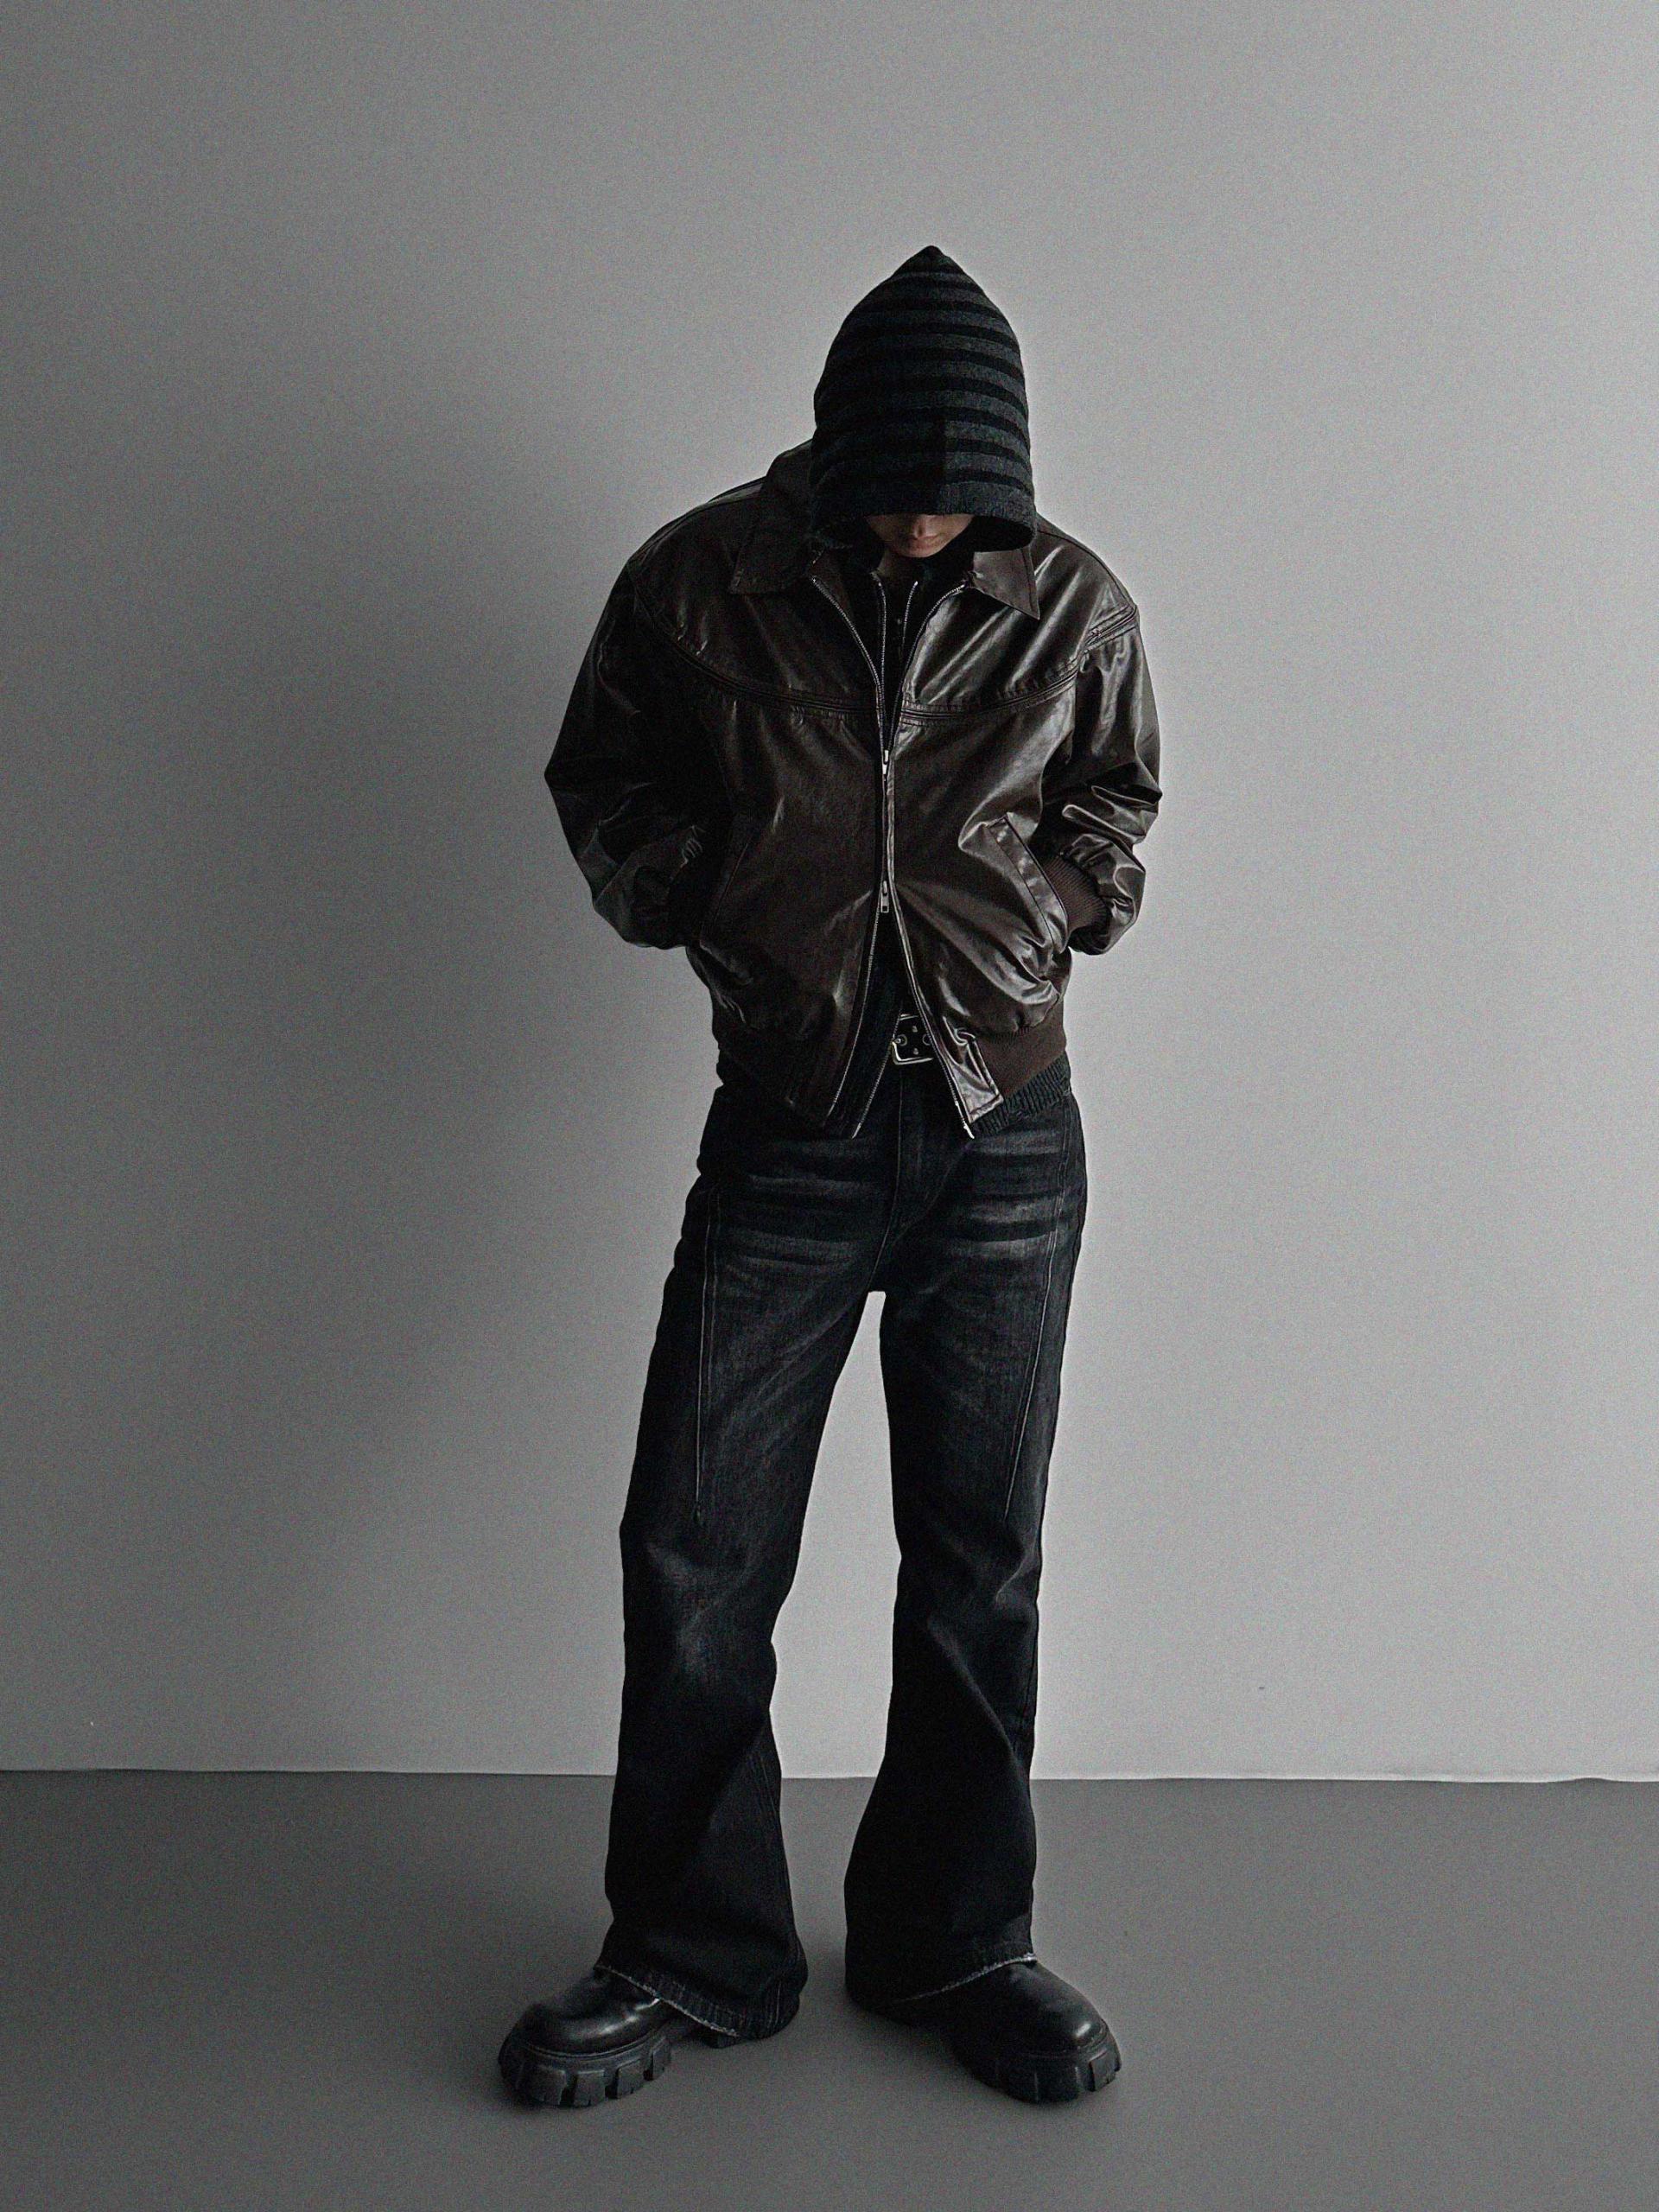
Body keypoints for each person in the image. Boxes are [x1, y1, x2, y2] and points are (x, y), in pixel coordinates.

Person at [499, 245, 1162, 2108]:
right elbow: (605, 778)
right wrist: (714, 900)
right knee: (697, 1547)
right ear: (838, 445)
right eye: (901, 483)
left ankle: (961, 1939)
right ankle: (693, 1949)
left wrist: (1046, 912)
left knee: (978, 1560)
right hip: (788, 1125)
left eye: (963, 491)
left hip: (1005, 1135)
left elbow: (1117, 801)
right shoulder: (700, 581)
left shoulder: (1071, 600)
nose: (929, 518)